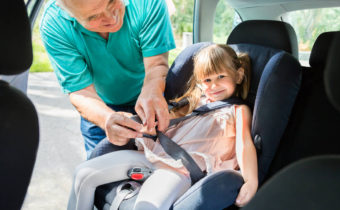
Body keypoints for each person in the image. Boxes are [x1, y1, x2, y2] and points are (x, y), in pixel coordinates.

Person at [68, 44, 258, 210]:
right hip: (153, 154)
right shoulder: (194, 102)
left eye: (221, 76)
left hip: (180, 169)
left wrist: (251, 181)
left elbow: (244, 145)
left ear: (238, 75)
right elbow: (170, 125)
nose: (214, 85)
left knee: (146, 207)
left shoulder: (237, 110)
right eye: (207, 80)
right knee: (83, 174)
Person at [39, 0, 176, 157]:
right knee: (102, 174)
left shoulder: (148, 3)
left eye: (112, 1)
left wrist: (153, 91)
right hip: (99, 108)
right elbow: (81, 92)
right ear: (69, 13)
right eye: (94, 16)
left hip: (151, 98)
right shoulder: (55, 25)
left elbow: (156, 65)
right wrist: (106, 119)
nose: (112, 19)